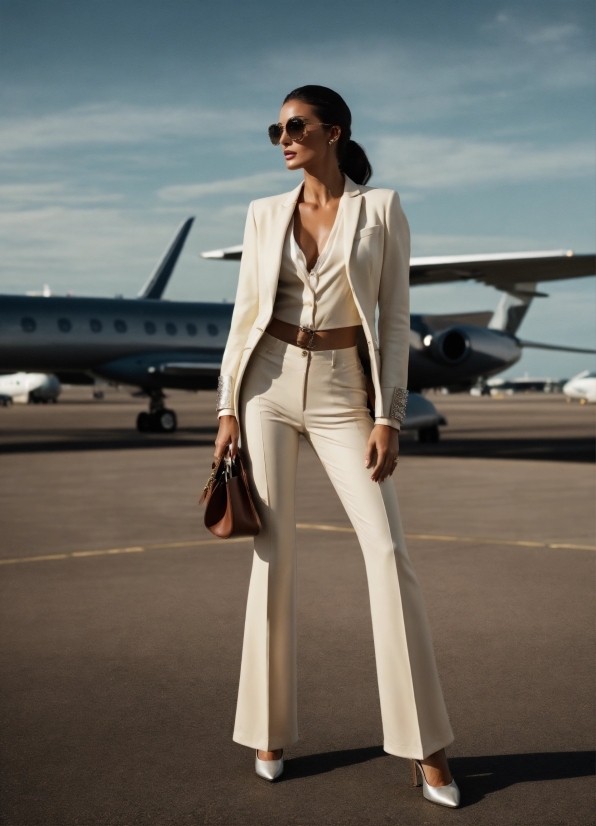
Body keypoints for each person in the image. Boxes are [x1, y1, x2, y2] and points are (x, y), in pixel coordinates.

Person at [214, 85, 459, 809]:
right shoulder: (263, 215)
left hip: (342, 391)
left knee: (387, 552)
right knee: (273, 554)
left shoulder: (379, 211)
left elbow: (393, 320)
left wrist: (390, 415)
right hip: (266, 386)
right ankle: (267, 729)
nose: (282, 138)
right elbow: (242, 317)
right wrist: (227, 406)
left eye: (295, 127)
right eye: (275, 129)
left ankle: (427, 745)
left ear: (333, 131)